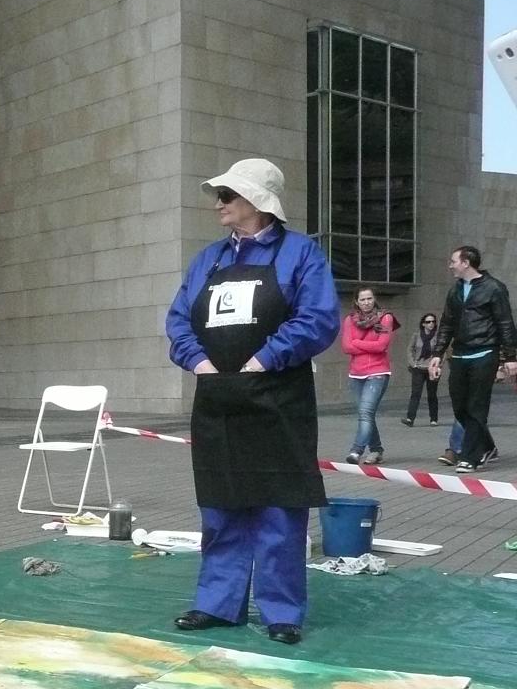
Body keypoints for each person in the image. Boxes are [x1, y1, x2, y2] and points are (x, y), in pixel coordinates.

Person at [165, 158, 339, 645]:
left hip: (278, 401)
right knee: (221, 505)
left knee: (280, 508)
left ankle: (282, 611)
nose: (217, 203)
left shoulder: (302, 253)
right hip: (217, 399)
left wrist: (264, 360)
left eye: (227, 195)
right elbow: (178, 320)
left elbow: (318, 319)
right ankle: (217, 604)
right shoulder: (207, 260)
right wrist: (199, 362)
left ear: (258, 201)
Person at [428, 245, 516, 473]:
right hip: (459, 354)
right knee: (460, 407)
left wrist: (510, 357)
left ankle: (471, 457)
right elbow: (446, 324)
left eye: (453, 261)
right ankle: (487, 447)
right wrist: (437, 354)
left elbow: (505, 323)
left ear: (466, 263)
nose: (450, 266)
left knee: (476, 405)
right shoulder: (455, 290)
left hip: (485, 353)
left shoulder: (494, 288)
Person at [339, 286, 397, 464]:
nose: (366, 303)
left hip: (378, 372)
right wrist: (364, 345)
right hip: (356, 374)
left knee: (365, 413)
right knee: (367, 414)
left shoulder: (385, 318)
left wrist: (357, 342)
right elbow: (346, 347)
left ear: (374, 299)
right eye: (362, 299)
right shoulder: (349, 320)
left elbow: (382, 346)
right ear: (356, 302)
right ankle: (377, 450)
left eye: (369, 298)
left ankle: (356, 451)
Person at [403, 312, 440, 427]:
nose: (431, 324)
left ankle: (433, 419)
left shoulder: (438, 336)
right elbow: (409, 349)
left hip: (432, 368)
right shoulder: (416, 335)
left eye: (433, 321)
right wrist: (412, 363)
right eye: (428, 322)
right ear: (423, 324)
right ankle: (410, 418)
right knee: (416, 393)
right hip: (418, 368)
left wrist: (439, 365)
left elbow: (442, 351)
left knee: (432, 394)